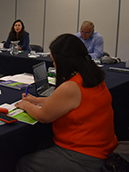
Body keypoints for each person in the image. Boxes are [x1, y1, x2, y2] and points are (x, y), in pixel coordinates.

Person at [15, 33, 118, 172]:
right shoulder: (94, 78)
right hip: (103, 146)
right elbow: (62, 103)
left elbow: (43, 116)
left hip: (84, 155)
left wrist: (25, 105)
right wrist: (35, 100)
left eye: (55, 61)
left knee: (23, 164)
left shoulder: (71, 86)